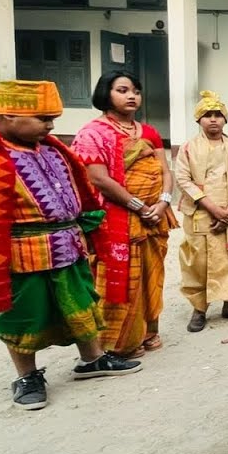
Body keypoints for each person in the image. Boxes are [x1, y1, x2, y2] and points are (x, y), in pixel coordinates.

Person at [0, 80, 141, 409]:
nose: (50, 125)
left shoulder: (52, 149)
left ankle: (92, 360)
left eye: (51, 118)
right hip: (19, 255)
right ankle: (27, 375)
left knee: (82, 303)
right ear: (6, 116)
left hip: (68, 246)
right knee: (24, 314)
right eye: (42, 118)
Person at [72, 71, 176, 357]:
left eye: (136, 91)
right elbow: (99, 179)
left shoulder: (149, 132)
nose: (132, 96)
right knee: (115, 276)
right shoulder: (93, 133)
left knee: (151, 273)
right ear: (106, 94)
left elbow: (166, 171)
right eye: (123, 90)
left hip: (155, 215)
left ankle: (149, 330)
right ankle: (119, 340)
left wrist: (164, 202)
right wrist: (139, 207)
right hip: (117, 218)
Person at [175, 91, 228, 332]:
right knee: (198, 261)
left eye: (218, 115)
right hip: (201, 212)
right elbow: (183, 179)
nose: (213, 120)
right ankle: (199, 308)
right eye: (207, 115)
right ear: (198, 120)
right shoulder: (188, 148)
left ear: (225, 120)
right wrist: (212, 208)